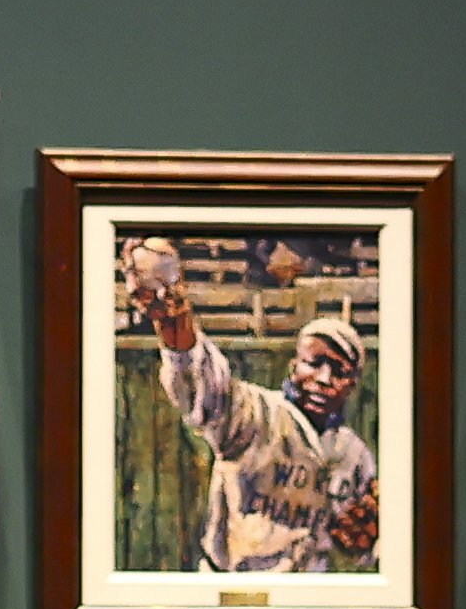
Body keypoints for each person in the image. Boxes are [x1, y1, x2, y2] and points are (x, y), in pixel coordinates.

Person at [127, 238, 380, 573]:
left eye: (340, 371)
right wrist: (173, 318)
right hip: (231, 588)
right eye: (314, 362)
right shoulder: (257, 412)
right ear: (293, 366)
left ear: (352, 384)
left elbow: (365, 546)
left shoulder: (354, 453)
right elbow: (199, 380)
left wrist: (368, 541)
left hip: (306, 598)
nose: (323, 378)